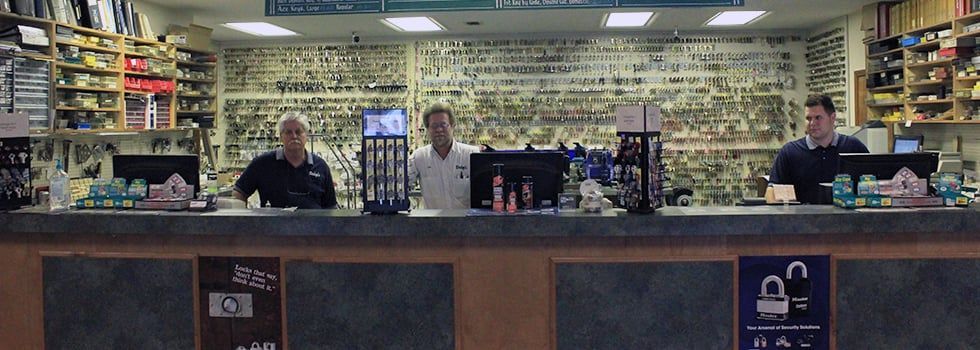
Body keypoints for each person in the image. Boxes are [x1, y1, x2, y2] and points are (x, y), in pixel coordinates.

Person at [769, 94, 869, 204]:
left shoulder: (853, 147)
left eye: (818, 118)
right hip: (804, 219)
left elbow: (874, 185)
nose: (812, 123)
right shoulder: (790, 152)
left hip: (847, 219)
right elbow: (772, 191)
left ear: (832, 118)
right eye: (808, 118)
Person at [233, 112, 338, 209]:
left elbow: (331, 206)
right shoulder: (262, 164)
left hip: (313, 228)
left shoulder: (321, 166)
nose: (294, 136)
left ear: (306, 135)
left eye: (298, 131)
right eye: (288, 132)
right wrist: (242, 220)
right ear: (281, 136)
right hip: (272, 228)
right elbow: (239, 192)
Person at [407, 102, 480, 209]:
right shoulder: (419, 157)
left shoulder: (471, 155)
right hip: (432, 224)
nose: (439, 130)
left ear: (452, 126)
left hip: (466, 224)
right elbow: (400, 185)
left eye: (443, 125)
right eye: (434, 126)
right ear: (428, 129)